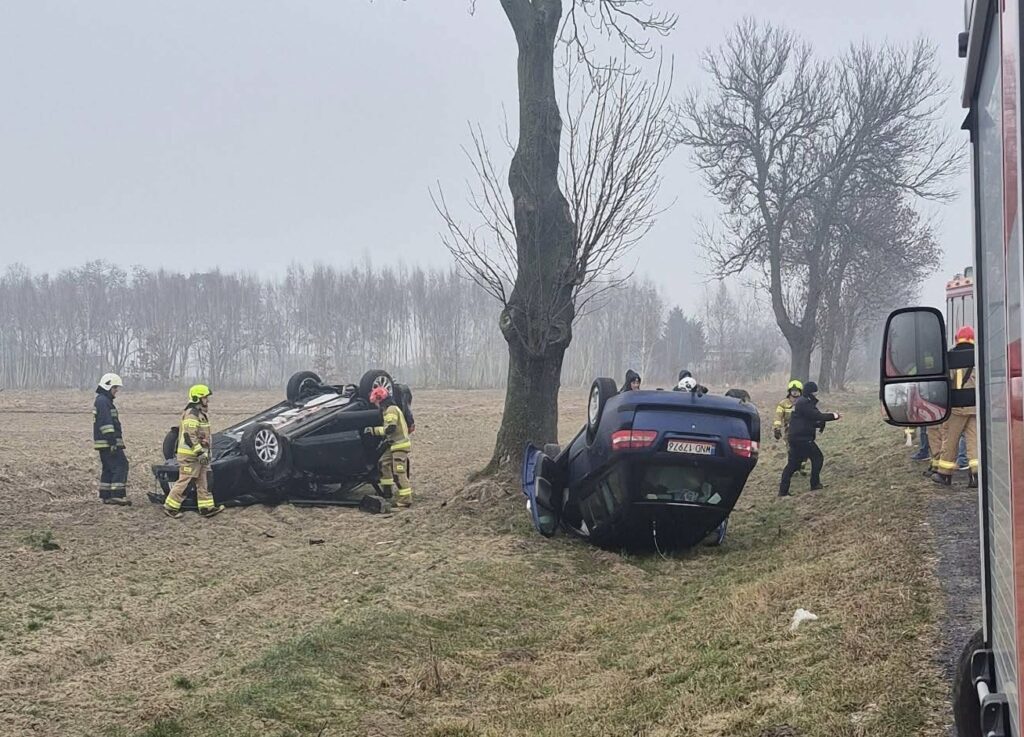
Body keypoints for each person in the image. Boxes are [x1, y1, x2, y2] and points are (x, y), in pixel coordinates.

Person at [164, 384, 224, 518]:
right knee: (186, 481)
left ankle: (206, 507)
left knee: (204, 481)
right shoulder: (192, 415)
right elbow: (189, 436)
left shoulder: (200, 414)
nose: (207, 400)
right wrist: (199, 452)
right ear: (197, 398)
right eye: (205, 398)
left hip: (200, 457)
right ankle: (170, 507)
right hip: (191, 457)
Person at [932, 326, 979, 488]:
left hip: (957, 408)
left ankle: (944, 475)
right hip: (975, 407)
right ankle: (976, 476)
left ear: (956, 338)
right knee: (974, 441)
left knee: (950, 440)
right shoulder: (980, 354)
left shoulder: (951, 357)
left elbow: (946, 381)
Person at [778, 381, 841, 497]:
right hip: (802, 438)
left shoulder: (803, 402)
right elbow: (816, 416)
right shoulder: (805, 403)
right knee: (817, 457)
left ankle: (783, 491)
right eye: (815, 393)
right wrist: (834, 416)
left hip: (796, 437)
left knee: (793, 464)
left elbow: (807, 420)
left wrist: (819, 424)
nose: (816, 395)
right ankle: (815, 484)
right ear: (810, 393)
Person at [366, 385, 413, 508]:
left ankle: (405, 500)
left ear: (380, 399)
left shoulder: (391, 410)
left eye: (376, 402)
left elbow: (390, 428)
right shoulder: (388, 409)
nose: (375, 405)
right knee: (383, 464)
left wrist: (373, 430)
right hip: (392, 445)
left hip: (399, 445)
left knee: (398, 472)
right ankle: (387, 493)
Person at [93, 373, 131, 506]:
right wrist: (112, 442)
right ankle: (117, 495)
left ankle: (106, 494)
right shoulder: (103, 402)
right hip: (109, 442)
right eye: (115, 387)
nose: (116, 391)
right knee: (121, 465)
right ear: (108, 386)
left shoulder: (102, 400)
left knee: (109, 468)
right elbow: (107, 424)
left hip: (105, 443)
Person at [774, 379, 807, 476]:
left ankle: (802, 466)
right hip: (790, 432)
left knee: (804, 449)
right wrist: (777, 428)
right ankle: (794, 468)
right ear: (789, 391)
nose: (795, 392)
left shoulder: (804, 402)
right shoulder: (783, 404)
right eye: (793, 390)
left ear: (800, 391)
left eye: (797, 390)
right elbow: (778, 416)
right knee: (791, 451)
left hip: (803, 430)